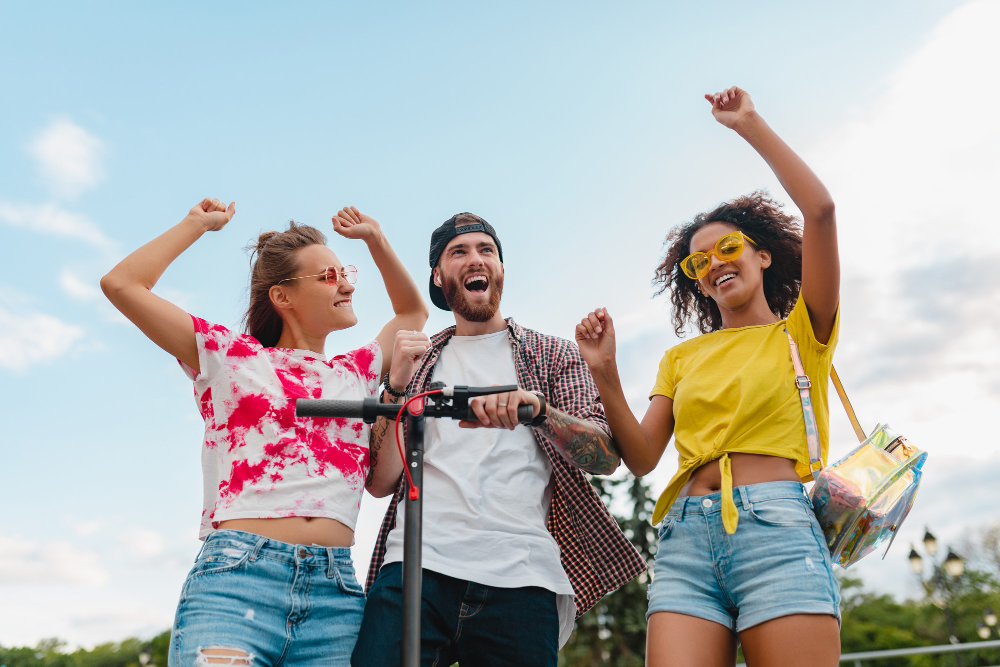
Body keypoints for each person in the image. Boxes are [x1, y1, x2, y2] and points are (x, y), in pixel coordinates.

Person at [575, 87, 842, 667]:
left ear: (763, 255)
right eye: (700, 261)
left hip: (776, 528)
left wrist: (750, 125)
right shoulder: (682, 358)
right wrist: (604, 372)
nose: (716, 262)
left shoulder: (801, 333)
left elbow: (820, 210)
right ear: (696, 281)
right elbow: (643, 457)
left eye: (728, 247)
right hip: (685, 541)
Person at [101, 199, 429, 666]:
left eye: (345, 271)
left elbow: (413, 312)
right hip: (237, 579)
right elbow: (121, 284)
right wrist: (196, 225)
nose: (347, 283)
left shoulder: (355, 371)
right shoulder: (229, 357)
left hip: (335, 595)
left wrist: (375, 240)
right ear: (283, 296)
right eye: (328, 276)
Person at [351, 213, 646, 667]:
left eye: (486, 250)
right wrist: (394, 388)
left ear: (501, 270)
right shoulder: (419, 359)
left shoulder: (552, 354)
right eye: (460, 252)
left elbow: (605, 458)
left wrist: (540, 413)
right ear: (439, 275)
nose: (476, 259)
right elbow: (379, 481)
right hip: (414, 567)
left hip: (522, 575)